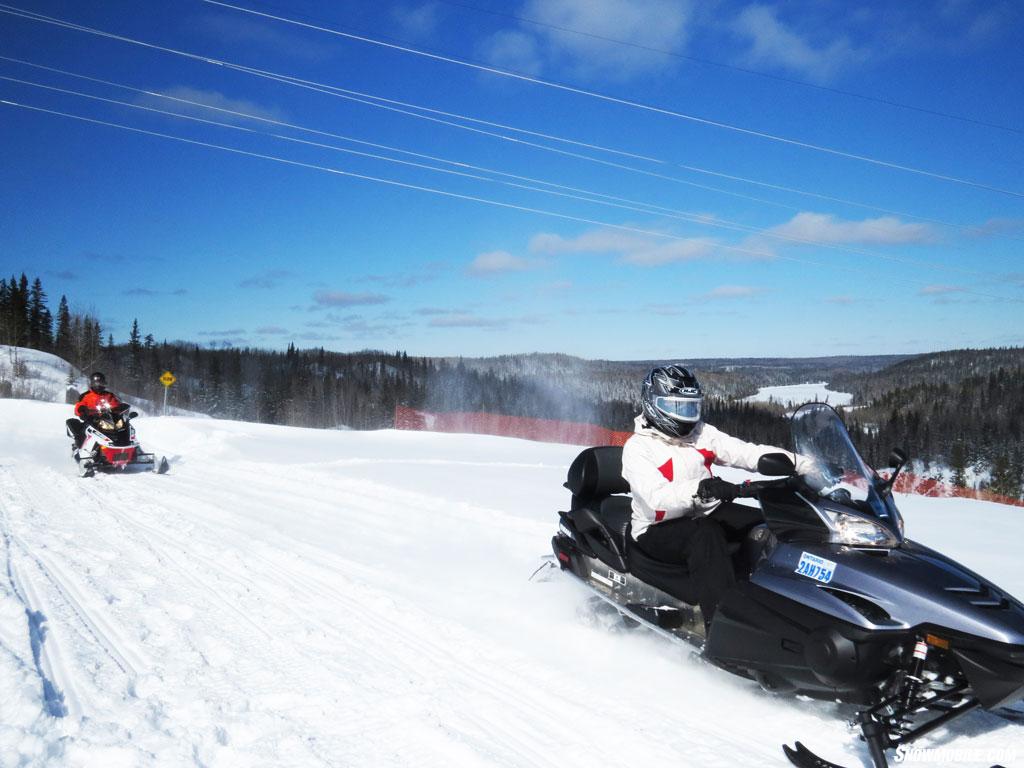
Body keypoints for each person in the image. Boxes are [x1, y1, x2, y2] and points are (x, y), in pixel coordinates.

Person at [621, 364, 808, 628]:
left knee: (768, 524)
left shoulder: (701, 434)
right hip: (656, 527)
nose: (685, 417)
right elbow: (655, 499)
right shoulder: (638, 448)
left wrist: (803, 465)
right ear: (654, 405)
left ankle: (778, 602)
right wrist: (702, 489)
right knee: (705, 536)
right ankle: (723, 628)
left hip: (703, 511)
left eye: (690, 407)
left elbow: (745, 452)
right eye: (677, 408)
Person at [66, 371, 123, 449]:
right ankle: (80, 448)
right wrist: (81, 411)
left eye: (101, 383)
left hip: (108, 420)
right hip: (92, 419)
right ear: (92, 383)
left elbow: (115, 404)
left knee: (122, 427)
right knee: (83, 432)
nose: (98, 385)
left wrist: (118, 408)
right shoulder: (85, 395)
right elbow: (79, 406)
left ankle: (130, 447)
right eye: (96, 383)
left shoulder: (109, 395)